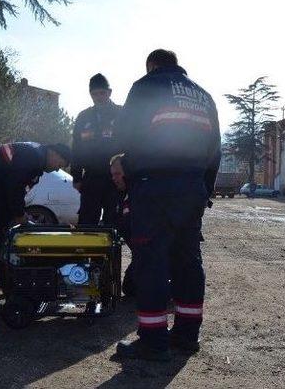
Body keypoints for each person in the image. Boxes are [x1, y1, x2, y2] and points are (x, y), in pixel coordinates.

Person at [114, 49, 221, 361]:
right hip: (192, 187)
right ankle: (187, 335)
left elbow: (124, 135)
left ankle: (153, 341)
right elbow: (215, 149)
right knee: (188, 261)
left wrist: (128, 168)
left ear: (152, 65)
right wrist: (205, 190)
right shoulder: (203, 96)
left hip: (154, 186)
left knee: (151, 262)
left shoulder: (146, 85)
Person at [0, 142, 71, 314]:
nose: (58, 169)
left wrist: (15, 215)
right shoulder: (32, 157)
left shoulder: (35, 159)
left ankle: (5, 291)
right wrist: (20, 214)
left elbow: (13, 188)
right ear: (54, 153)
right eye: (61, 163)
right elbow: (14, 186)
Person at [71, 73, 121, 225]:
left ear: (110, 92)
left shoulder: (122, 113)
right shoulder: (84, 116)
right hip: (91, 178)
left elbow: (131, 144)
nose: (99, 97)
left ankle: (113, 250)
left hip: (115, 178)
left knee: (114, 223)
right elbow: (76, 148)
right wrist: (77, 177)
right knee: (87, 222)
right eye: (95, 94)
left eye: (102, 93)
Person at [109, 154, 135, 297]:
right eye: (113, 175)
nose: (114, 178)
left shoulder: (140, 195)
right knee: (130, 289)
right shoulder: (121, 196)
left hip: (157, 255)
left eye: (118, 174)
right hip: (141, 255)